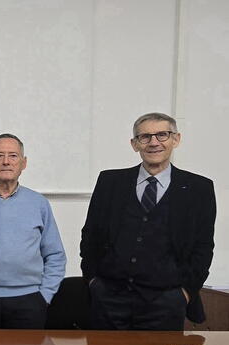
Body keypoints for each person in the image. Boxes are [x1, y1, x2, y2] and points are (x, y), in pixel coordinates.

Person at [81, 112, 216, 330]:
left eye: (162, 135)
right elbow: (91, 235)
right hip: (109, 300)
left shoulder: (199, 188)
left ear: (176, 139)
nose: (154, 142)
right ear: (134, 144)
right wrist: (93, 281)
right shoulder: (110, 182)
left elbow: (203, 246)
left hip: (166, 302)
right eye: (145, 137)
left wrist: (185, 293)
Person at [0, 133, 66, 329]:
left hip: (28, 301)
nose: (6, 162)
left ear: (24, 163)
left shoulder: (38, 203)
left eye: (13, 156)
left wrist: (45, 296)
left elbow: (55, 255)